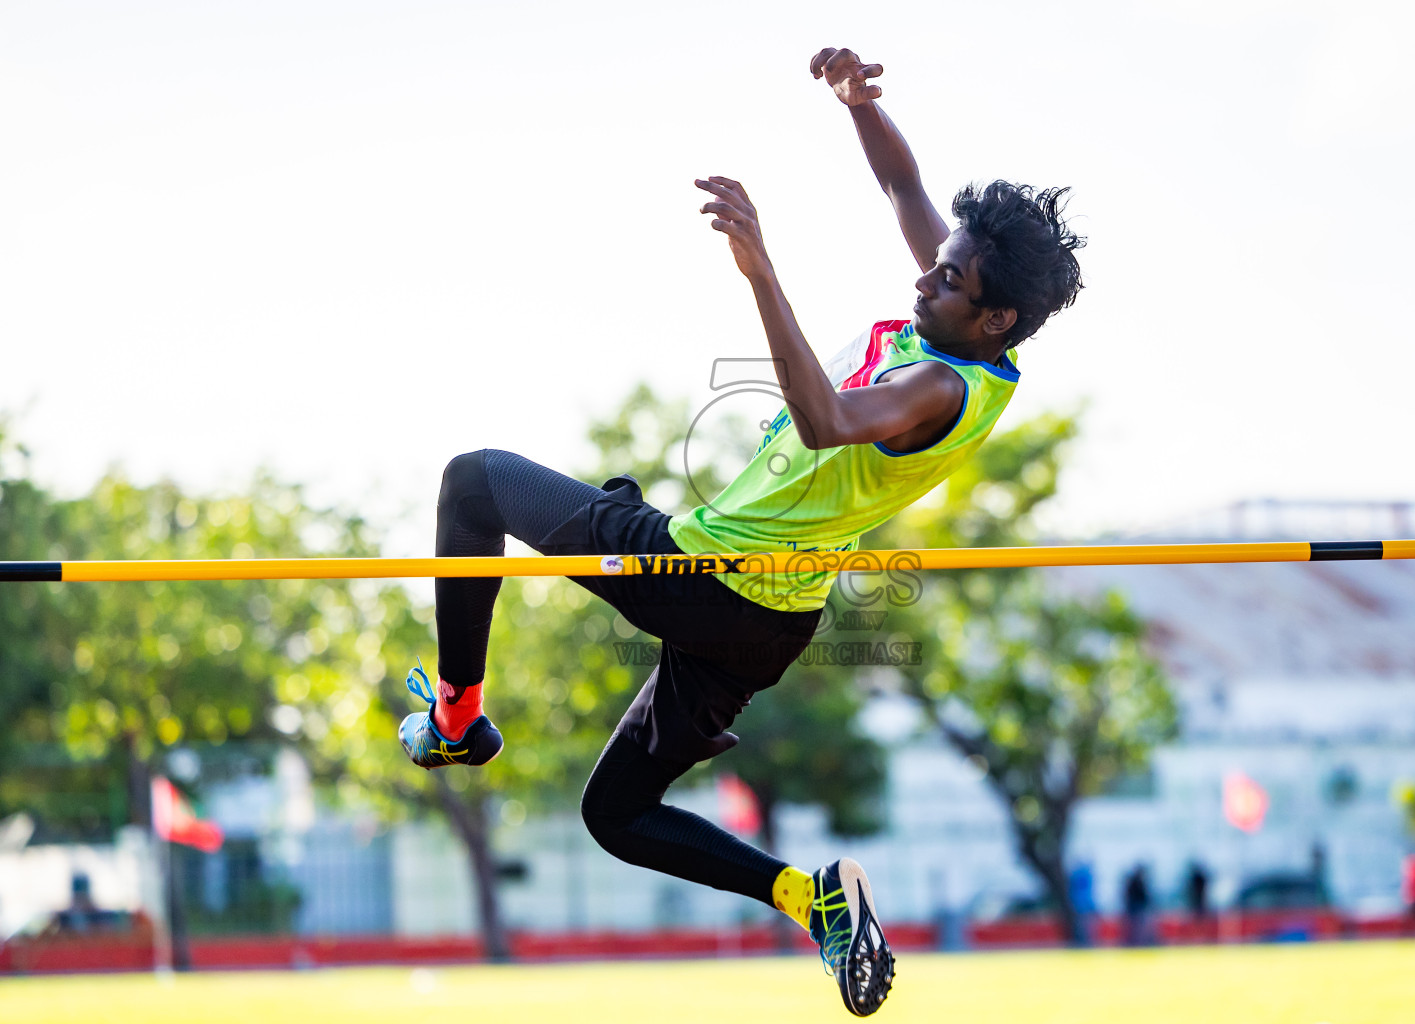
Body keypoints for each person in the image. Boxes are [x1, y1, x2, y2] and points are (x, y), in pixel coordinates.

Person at [397, 45, 1085, 1018]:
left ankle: (458, 720)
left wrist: (762, 269)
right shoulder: (960, 320)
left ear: (998, 317)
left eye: (951, 279)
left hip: (709, 575)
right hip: (769, 619)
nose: (927, 280)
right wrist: (859, 107)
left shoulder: (943, 382)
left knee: (473, 484)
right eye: (937, 266)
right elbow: (903, 184)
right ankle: (815, 899)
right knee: (617, 813)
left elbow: (828, 423)